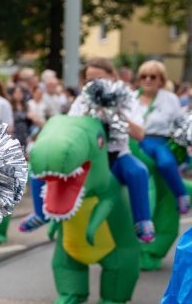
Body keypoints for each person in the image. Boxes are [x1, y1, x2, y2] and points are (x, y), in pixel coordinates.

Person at [20, 57, 154, 242]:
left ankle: (143, 221)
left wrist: (114, 113)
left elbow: (139, 134)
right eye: (89, 80)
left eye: (98, 79)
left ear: (112, 76)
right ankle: (39, 212)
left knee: (138, 171)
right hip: (88, 157)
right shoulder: (82, 100)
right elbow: (72, 127)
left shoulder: (126, 98)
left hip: (116, 155)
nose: (94, 84)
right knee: (41, 165)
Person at [134, 60, 189, 213]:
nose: (147, 80)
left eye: (153, 76)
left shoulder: (169, 98)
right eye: (143, 76)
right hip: (135, 141)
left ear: (161, 80)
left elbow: (180, 123)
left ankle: (181, 194)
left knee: (165, 162)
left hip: (159, 140)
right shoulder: (131, 98)